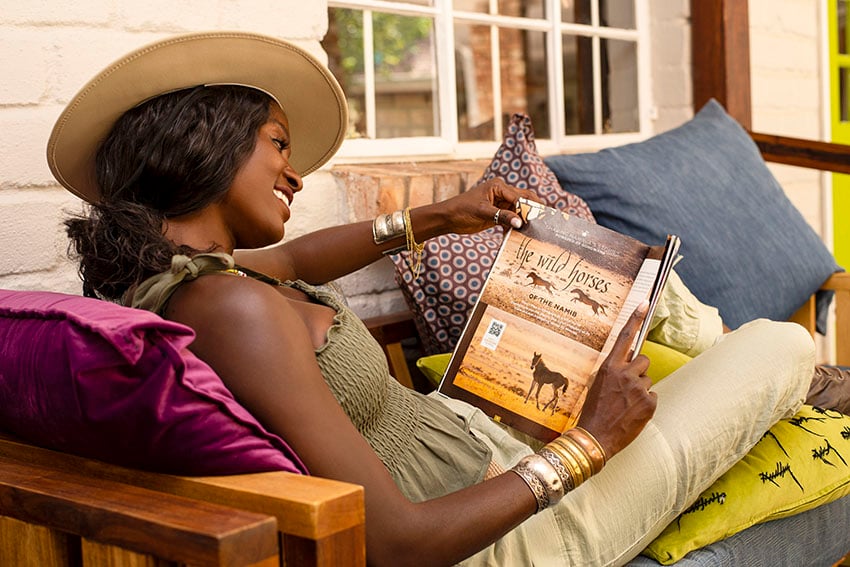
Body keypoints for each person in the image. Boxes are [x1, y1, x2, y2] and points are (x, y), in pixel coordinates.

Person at [52, 32, 820, 566]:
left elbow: (299, 256)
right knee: (781, 345)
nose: (294, 174)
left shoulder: (203, 285)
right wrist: (591, 441)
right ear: (207, 143)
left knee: (658, 337)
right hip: (504, 538)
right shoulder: (231, 311)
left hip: (487, 448)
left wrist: (437, 217)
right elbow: (396, 545)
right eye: (279, 144)